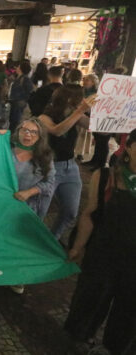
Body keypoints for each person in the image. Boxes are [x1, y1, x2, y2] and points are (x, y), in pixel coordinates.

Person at [64, 129, 136, 355]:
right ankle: (78, 339)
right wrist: (78, 246)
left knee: (129, 309)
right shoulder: (107, 176)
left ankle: (114, 347)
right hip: (103, 253)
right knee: (90, 299)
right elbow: (89, 214)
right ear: (130, 148)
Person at [39, 86, 95, 240]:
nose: (80, 102)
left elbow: (97, 127)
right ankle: (31, 244)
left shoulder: (74, 115)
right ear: (67, 99)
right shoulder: (44, 117)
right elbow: (58, 131)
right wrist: (80, 111)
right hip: (50, 168)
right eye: (78, 99)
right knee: (39, 212)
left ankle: (52, 240)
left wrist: (107, 112)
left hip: (71, 168)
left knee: (70, 212)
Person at [9, 118, 56, 218]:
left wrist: (29, 192)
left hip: (26, 209)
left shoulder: (44, 157)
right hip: (4, 203)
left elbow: (49, 183)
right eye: (24, 130)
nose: (28, 134)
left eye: (34, 132)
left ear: (40, 136)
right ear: (18, 131)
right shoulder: (6, 151)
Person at [7, 61, 34, 132]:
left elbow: (30, 90)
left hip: (19, 102)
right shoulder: (18, 78)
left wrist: (24, 98)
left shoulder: (25, 79)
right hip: (15, 102)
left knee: (16, 120)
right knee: (13, 120)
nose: (16, 68)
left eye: (18, 67)